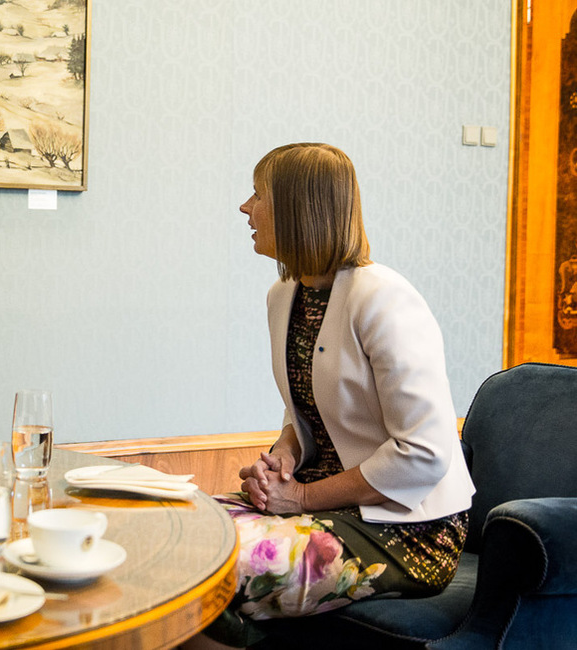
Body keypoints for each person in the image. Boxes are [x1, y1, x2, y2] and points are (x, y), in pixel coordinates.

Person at [203, 143, 475, 647]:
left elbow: (425, 454)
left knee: (209, 569)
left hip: (408, 529)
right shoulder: (284, 295)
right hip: (324, 505)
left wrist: (300, 497)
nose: (245, 208)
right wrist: (282, 460)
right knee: (181, 534)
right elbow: (307, 406)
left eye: (258, 195)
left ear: (297, 209)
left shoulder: (386, 299)